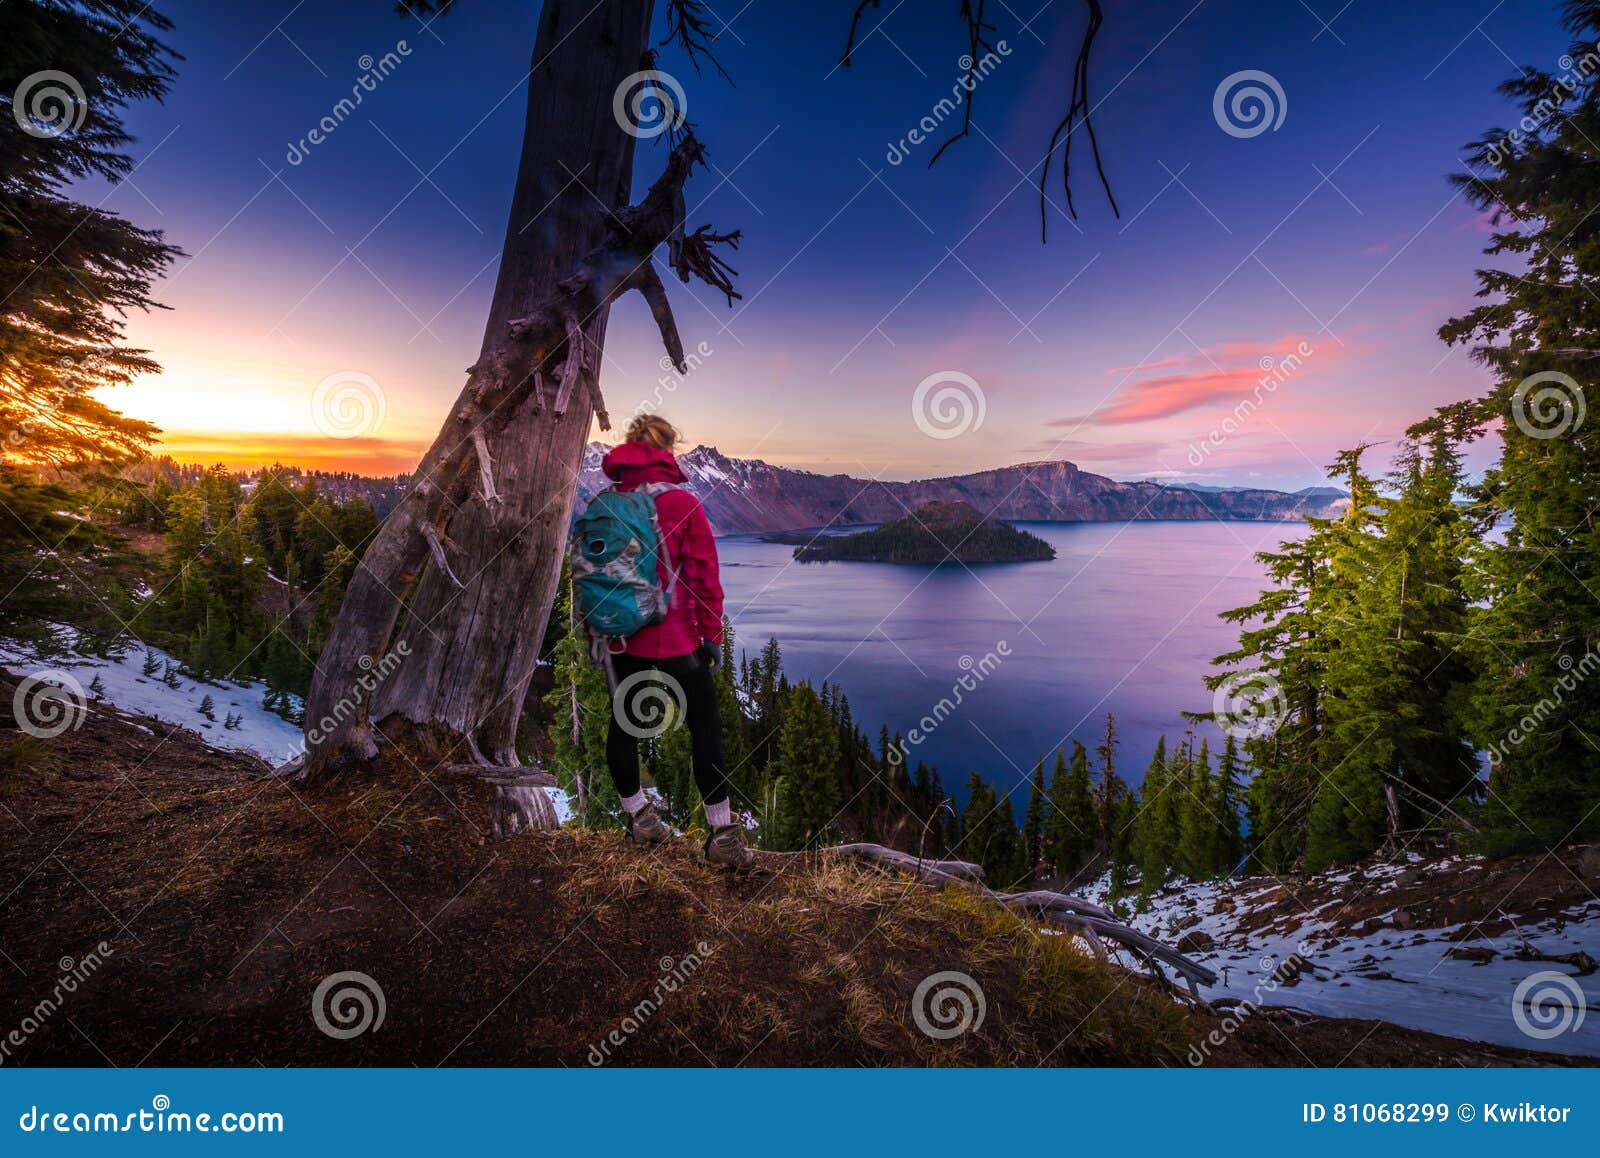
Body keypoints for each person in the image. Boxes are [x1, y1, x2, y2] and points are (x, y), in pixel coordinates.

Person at [595, 414, 748, 866]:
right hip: (677, 639)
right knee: (705, 726)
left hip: (622, 640)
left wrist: (598, 632)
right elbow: (703, 580)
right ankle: (722, 835)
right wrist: (712, 635)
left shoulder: (606, 502)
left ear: (629, 447)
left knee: (624, 725)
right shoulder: (683, 505)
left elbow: (591, 574)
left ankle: (639, 818)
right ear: (667, 449)